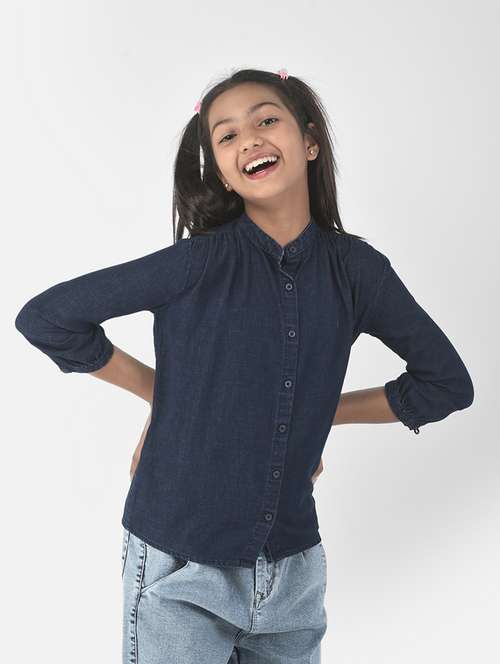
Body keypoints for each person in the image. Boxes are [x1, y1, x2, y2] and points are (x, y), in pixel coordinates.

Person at [14, 67, 474, 664]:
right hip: (179, 566)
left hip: (293, 576)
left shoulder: (357, 271)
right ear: (222, 170)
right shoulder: (196, 263)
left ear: (309, 141)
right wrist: (165, 397)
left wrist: (316, 413)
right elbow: (47, 318)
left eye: (266, 120)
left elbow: (445, 384)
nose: (249, 139)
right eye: (227, 135)